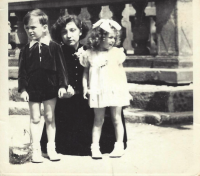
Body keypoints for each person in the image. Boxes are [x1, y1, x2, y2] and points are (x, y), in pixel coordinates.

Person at [18, 9, 68, 163]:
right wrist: (23, 89)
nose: (30, 31)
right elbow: (22, 72)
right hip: (33, 89)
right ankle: (35, 150)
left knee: (49, 117)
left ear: (45, 27)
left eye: (33, 27)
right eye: (27, 28)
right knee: (34, 118)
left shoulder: (54, 47)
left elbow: (62, 68)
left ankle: (51, 148)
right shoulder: (25, 50)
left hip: (50, 88)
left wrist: (63, 85)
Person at [40, 14, 92, 156]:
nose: (68, 35)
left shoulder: (89, 51)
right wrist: (62, 87)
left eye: (72, 30)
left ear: (80, 31)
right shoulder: (56, 52)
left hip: (85, 98)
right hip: (64, 99)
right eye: (64, 32)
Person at [80, 19, 130, 159]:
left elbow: (121, 73)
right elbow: (85, 73)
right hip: (97, 90)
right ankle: (95, 147)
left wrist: (123, 90)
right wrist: (85, 87)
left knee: (116, 118)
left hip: (114, 89)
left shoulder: (116, 53)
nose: (113, 41)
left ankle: (119, 145)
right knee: (98, 119)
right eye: (110, 37)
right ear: (99, 37)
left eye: (114, 38)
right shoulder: (90, 53)